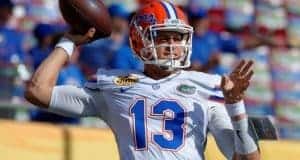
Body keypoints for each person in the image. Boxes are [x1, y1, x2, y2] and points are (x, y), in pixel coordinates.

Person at [25, 1, 260, 159]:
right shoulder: (112, 83)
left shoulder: (210, 86)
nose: (172, 46)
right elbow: (38, 91)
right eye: (162, 37)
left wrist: (236, 106)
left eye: (178, 38)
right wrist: (68, 41)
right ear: (139, 40)